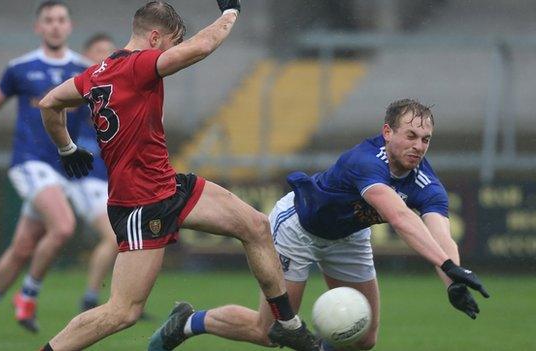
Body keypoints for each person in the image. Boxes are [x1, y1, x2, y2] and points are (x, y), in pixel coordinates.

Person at [37, 1, 319, 351]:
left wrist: (67, 149)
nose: (172, 52)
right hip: (142, 204)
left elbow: (50, 103)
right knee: (123, 311)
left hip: (168, 186)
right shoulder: (138, 66)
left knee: (256, 226)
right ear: (155, 37)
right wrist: (230, 11)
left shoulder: (95, 73)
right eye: (171, 43)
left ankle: (286, 323)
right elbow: (200, 47)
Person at [151, 99, 491, 351]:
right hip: (298, 227)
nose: (418, 146)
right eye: (411, 135)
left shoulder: (426, 183)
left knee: (364, 337)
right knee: (271, 332)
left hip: (348, 236)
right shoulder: (365, 162)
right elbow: (401, 218)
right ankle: (187, 322)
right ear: (387, 132)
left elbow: (441, 234)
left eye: (426, 139)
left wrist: (452, 282)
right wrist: (446, 266)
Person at [0, 1, 91, 342]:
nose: (55, 26)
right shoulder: (20, 68)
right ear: (39, 27)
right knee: (63, 227)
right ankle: (28, 295)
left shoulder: (83, 69)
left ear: (70, 26)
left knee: (22, 249)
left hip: (60, 170)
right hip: (28, 163)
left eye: (61, 20)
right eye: (48, 20)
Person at [71, 32, 118, 312]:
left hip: (110, 182)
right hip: (86, 182)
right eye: (98, 50)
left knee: (129, 239)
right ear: (85, 55)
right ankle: (90, 297)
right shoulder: (77, 89)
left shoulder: (114, 91)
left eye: (109, 51)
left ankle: (121, 299)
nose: (104, 55)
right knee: (113, 237)